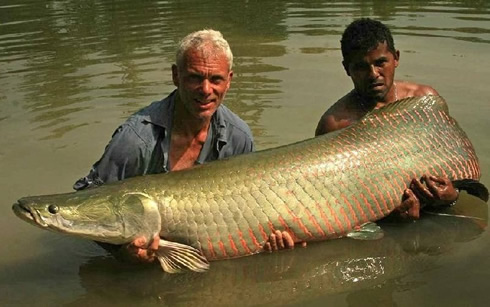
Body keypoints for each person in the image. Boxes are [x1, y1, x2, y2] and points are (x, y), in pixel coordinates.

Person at [74, 29, 259, 262]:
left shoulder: (239, 137)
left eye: (216, 79)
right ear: (175, 75)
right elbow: (87, 202)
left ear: (229, 81)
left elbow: (249, 209)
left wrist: (270, 238)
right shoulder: (135, 140)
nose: (205, 90)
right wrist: (122, 252)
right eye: (194, 77)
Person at [315, 18, 459, 219]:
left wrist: (452, 195)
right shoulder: (334, 125)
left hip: (436, 208)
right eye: (361, 67)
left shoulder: (425, 102)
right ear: (347, 69)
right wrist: (390, 218)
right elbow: (332, 198)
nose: (373, 74)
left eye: (380, 62)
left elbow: (452, 163)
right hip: (381, 217)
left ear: (396, 58)